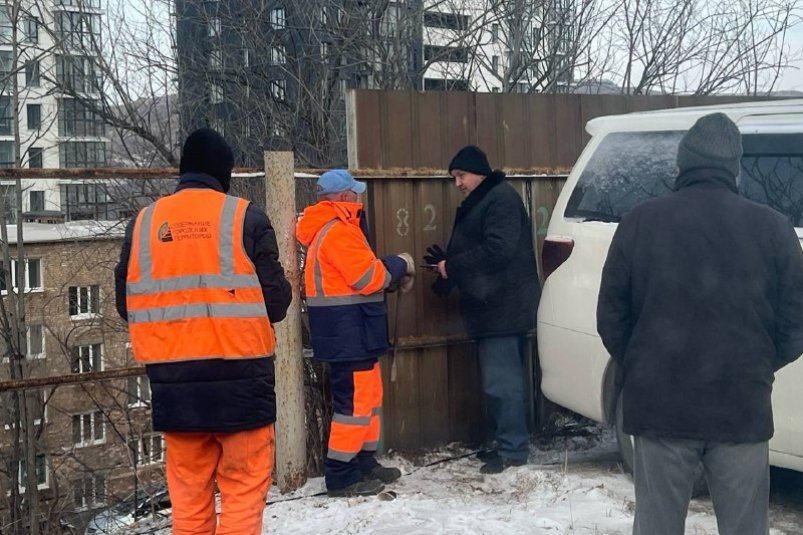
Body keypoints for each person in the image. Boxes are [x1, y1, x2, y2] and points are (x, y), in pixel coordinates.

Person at [597, 113, 803, 535]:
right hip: (740, 410)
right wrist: (756, 366)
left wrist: (644, 364)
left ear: (682, 163)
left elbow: (611, 317)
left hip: (660, 408)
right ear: (736, 168)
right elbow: (795, 324)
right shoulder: (774, 228)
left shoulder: (640, 221)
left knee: (656, 527)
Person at [114, 128, 292, 535]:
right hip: (243, 385)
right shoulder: (246, 217)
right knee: (243, 496)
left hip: (176, 389)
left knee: (190, 500)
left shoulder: (143, 224)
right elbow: (276, 304)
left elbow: (128, 305)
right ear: (223, 174)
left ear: (183, 171)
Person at [296, 169, 415, 497]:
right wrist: (401, 264)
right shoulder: (338, 232)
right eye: (355, 192)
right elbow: (369, 277)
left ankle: (363, 462)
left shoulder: (333, 229)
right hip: (349, 333)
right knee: (354, 406)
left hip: (352, 332)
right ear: (344, 197)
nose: (359, 198)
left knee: (368, 399)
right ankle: (342, 474)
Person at [425, 145, 540, 474]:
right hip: (494, 304)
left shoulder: (500, 199)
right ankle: (506, 444)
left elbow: (497, 250)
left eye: (461, 175)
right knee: (498, 382)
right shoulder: (486, 200)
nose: (457, 183)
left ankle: (513, 451)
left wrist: (454, 266)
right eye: (454, 178)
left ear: (479, 172)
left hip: (502, 306)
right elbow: (480, 250)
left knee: (502, 383)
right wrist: (447, 271)